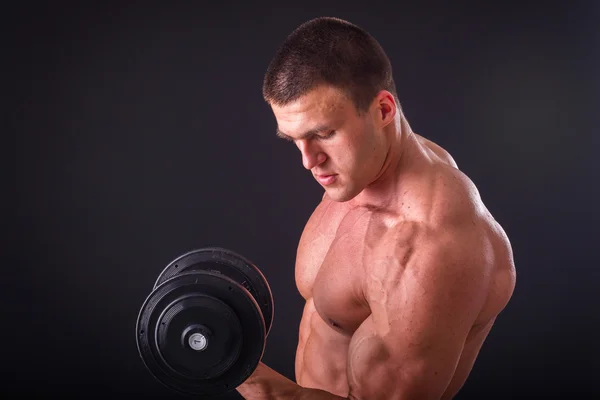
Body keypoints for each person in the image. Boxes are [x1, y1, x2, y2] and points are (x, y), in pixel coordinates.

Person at [236, 17, 516, 400]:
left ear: (384, 110)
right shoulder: (359, 171)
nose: (308, 160)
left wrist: (237, 369)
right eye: (295, 140)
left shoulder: (431, 245)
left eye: (323, 134)